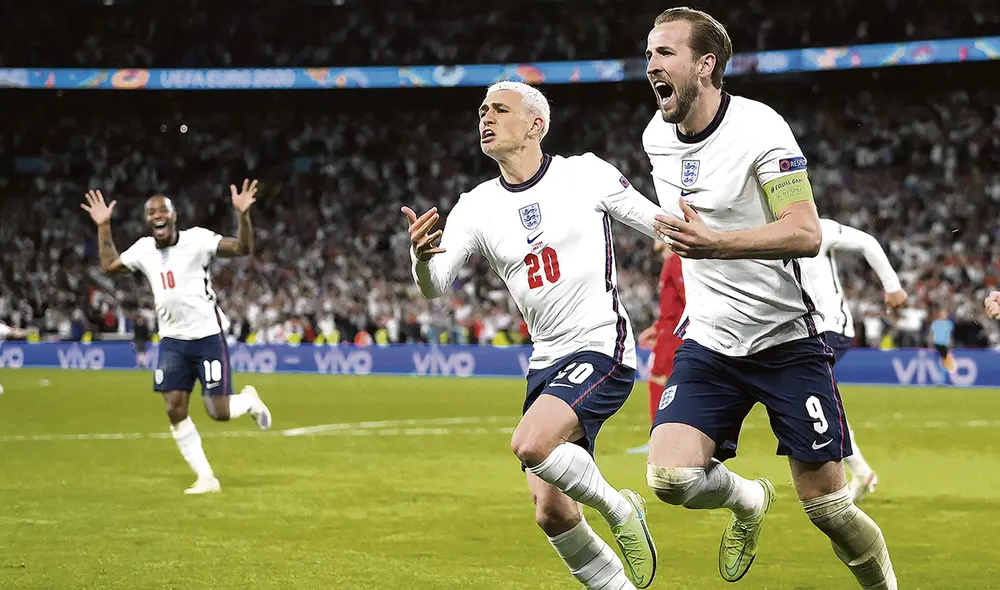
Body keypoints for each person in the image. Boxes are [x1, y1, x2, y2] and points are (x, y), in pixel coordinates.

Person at [641, 7, 896, 588]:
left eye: (665, 53)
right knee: (670, 479)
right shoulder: (656, 136)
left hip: (786, 341)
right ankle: (748, 500)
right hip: (709, 341)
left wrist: (714, 246)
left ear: (705, 65)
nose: (651, 64)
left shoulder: (761, 129)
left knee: (829, 510)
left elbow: (805, 232)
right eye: (649, 53)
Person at [403, 80, 661, 589]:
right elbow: (435, 287)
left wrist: (713, 234)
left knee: (529, 442)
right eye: (482, 110)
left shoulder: (584, 174)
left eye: (500, 109)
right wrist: (419, 259)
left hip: (600, 342)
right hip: (546, 360)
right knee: (552, 513)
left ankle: (619, 505)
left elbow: (658, 222)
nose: (486, 117)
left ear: (536, 125)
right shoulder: (474, 206)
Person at [81, 183, 272, 495]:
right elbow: (109, 266)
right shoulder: (143, 249)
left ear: (173, 215)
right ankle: (206, 478)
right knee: (174, 407)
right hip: (172, 340)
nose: (157, 215)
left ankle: (249, 400)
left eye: (162, 210)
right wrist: (103, 226)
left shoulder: (197, 240)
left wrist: (243, 216)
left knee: (218, 412)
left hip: (207, 335)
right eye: (150, 212)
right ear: (147, 221)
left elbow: (241, 248)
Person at [800, 218, 908, 503]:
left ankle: (848, 473)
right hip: (800, 333)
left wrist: (892, 286)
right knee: (814, 395)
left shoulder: (814, 228)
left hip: (831, 327)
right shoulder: (760, 237)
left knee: (811, 394)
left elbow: (866, 241)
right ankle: (859, 471)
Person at [629, 241, 685, 455]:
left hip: (674, 336)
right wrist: (657, 328)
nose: (655, 237)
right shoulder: (670, 263)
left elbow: (687, 301)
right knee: (667, 382)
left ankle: (659, 439)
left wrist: (671, 330)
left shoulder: (676, 262)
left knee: (660, 380)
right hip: (668, 332)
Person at [928, 308, 957, 379]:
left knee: (944, 361)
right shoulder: (935, 323)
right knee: (940, 362)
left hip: (945, 345)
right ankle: (941, 377)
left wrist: (951, 345)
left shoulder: (949, 324)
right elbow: (931, 334)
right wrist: (930, 344)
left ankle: (943, 377)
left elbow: (950, 335)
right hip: (937, 344)